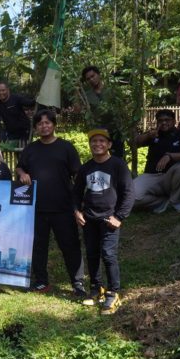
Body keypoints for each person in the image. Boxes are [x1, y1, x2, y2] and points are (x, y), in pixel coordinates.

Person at [16, 109, 85, 295]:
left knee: (70, 245)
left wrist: (79, 204)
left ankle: (78, 283)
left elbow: (78, 176)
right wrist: (22, 174)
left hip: (63, 207)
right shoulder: (31, 149)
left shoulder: (66, 148)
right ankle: (41, 281)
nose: (44, 126)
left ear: (54, 125)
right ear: (36, 127)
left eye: (47, 122)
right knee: (38, 246)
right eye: (40, 123)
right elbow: (20, 167)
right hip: (36, 208)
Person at [73, 129, 134, 315]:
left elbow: (129, 193)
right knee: (92, 254)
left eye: (101, 141)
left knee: (108, 254)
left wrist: (119, 216)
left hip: (109, 219)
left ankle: (113, 292)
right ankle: (96, 288)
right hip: (89, 218)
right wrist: (76, 211)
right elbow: (76, 193)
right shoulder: (86, 167)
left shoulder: (118, 165)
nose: (97, 144)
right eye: (94, 141)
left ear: (109, 144)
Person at [133, 109, 180, 213]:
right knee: (129, 198)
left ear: (174, 121)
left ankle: (175, 200)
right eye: (160, 120)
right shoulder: (153, 134)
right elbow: (136, 142)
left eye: (167, 120)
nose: (164, 123)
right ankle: (163, 201)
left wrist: (170, 156)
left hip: (172, 177)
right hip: (151, 175)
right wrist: (148, 135)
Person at [81, 66, 125, 158]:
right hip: (98, 132)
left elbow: (121, 108)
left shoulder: (112, 90)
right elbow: (84, 113)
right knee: (99, 158)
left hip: (115, 131)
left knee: (118, 158)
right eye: (88, 79)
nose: (91, 80)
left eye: (93, 76)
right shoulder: (87, 95)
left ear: (99, 74)